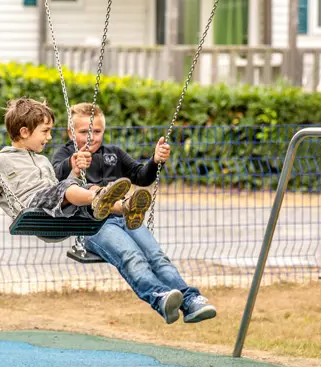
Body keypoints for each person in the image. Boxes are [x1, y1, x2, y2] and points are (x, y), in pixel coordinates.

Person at [51, 103, 217, 325]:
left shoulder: (114, 154)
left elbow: (141, 176)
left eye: (97, 132)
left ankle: (190, 301)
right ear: (71, 133)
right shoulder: (65, 154)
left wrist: (156, 161)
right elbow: (55, 177)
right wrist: (73, 164)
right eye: (84, 132)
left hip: (128, 217)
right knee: (132, 256)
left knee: (157, 257)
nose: (91, 137)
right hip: (93, 224)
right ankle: (159, 296)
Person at [0, 98, 153, 230]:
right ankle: (99, 196)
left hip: (55, 208)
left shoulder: (42, 160)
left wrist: (74, 172)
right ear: (25, 132)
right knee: (70, 188)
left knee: (87, 188)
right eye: (45, 131)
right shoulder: (2, 160)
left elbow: (57, 190)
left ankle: (125, 207)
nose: (49, 137)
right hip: (31, 207)